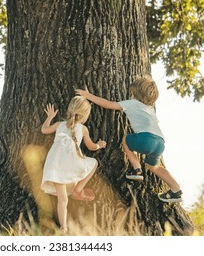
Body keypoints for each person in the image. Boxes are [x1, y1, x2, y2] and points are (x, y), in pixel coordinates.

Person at [75, 75, 183, 203]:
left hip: (145, 139)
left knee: (126, 139)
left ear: (134, 93)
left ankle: (137, 169)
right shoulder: (150, 109)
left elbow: (107, 104)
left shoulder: (132, 103)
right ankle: (176, 189)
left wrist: (87, 95)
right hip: (160, 142)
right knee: (153, 167)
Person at [40, 96, 107, 234]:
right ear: (85, 115)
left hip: (56, 164)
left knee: (62, 199)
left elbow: (44, 130)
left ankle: (63, 227)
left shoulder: (59, 124)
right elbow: (91, 147)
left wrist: (50, 117)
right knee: (93, 163)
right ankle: (78, 189)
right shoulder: (83, 129)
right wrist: (99, 145)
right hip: (71, 162)